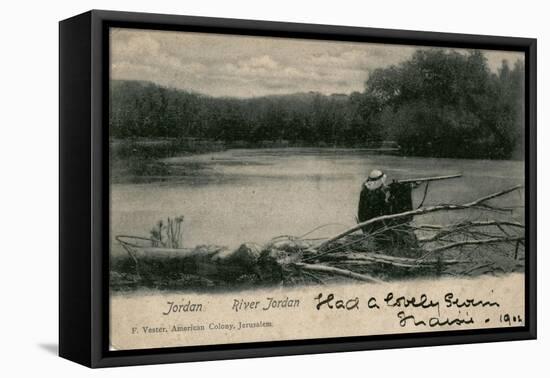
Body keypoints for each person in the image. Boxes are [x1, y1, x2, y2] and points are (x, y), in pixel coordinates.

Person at [357, 169, 419, 250]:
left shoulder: (366, 190)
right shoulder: (376, 194)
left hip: (367, 224)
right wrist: (404, 188)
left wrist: (399, 187)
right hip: (374, 225)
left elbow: (385, 191)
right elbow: (382, 208)